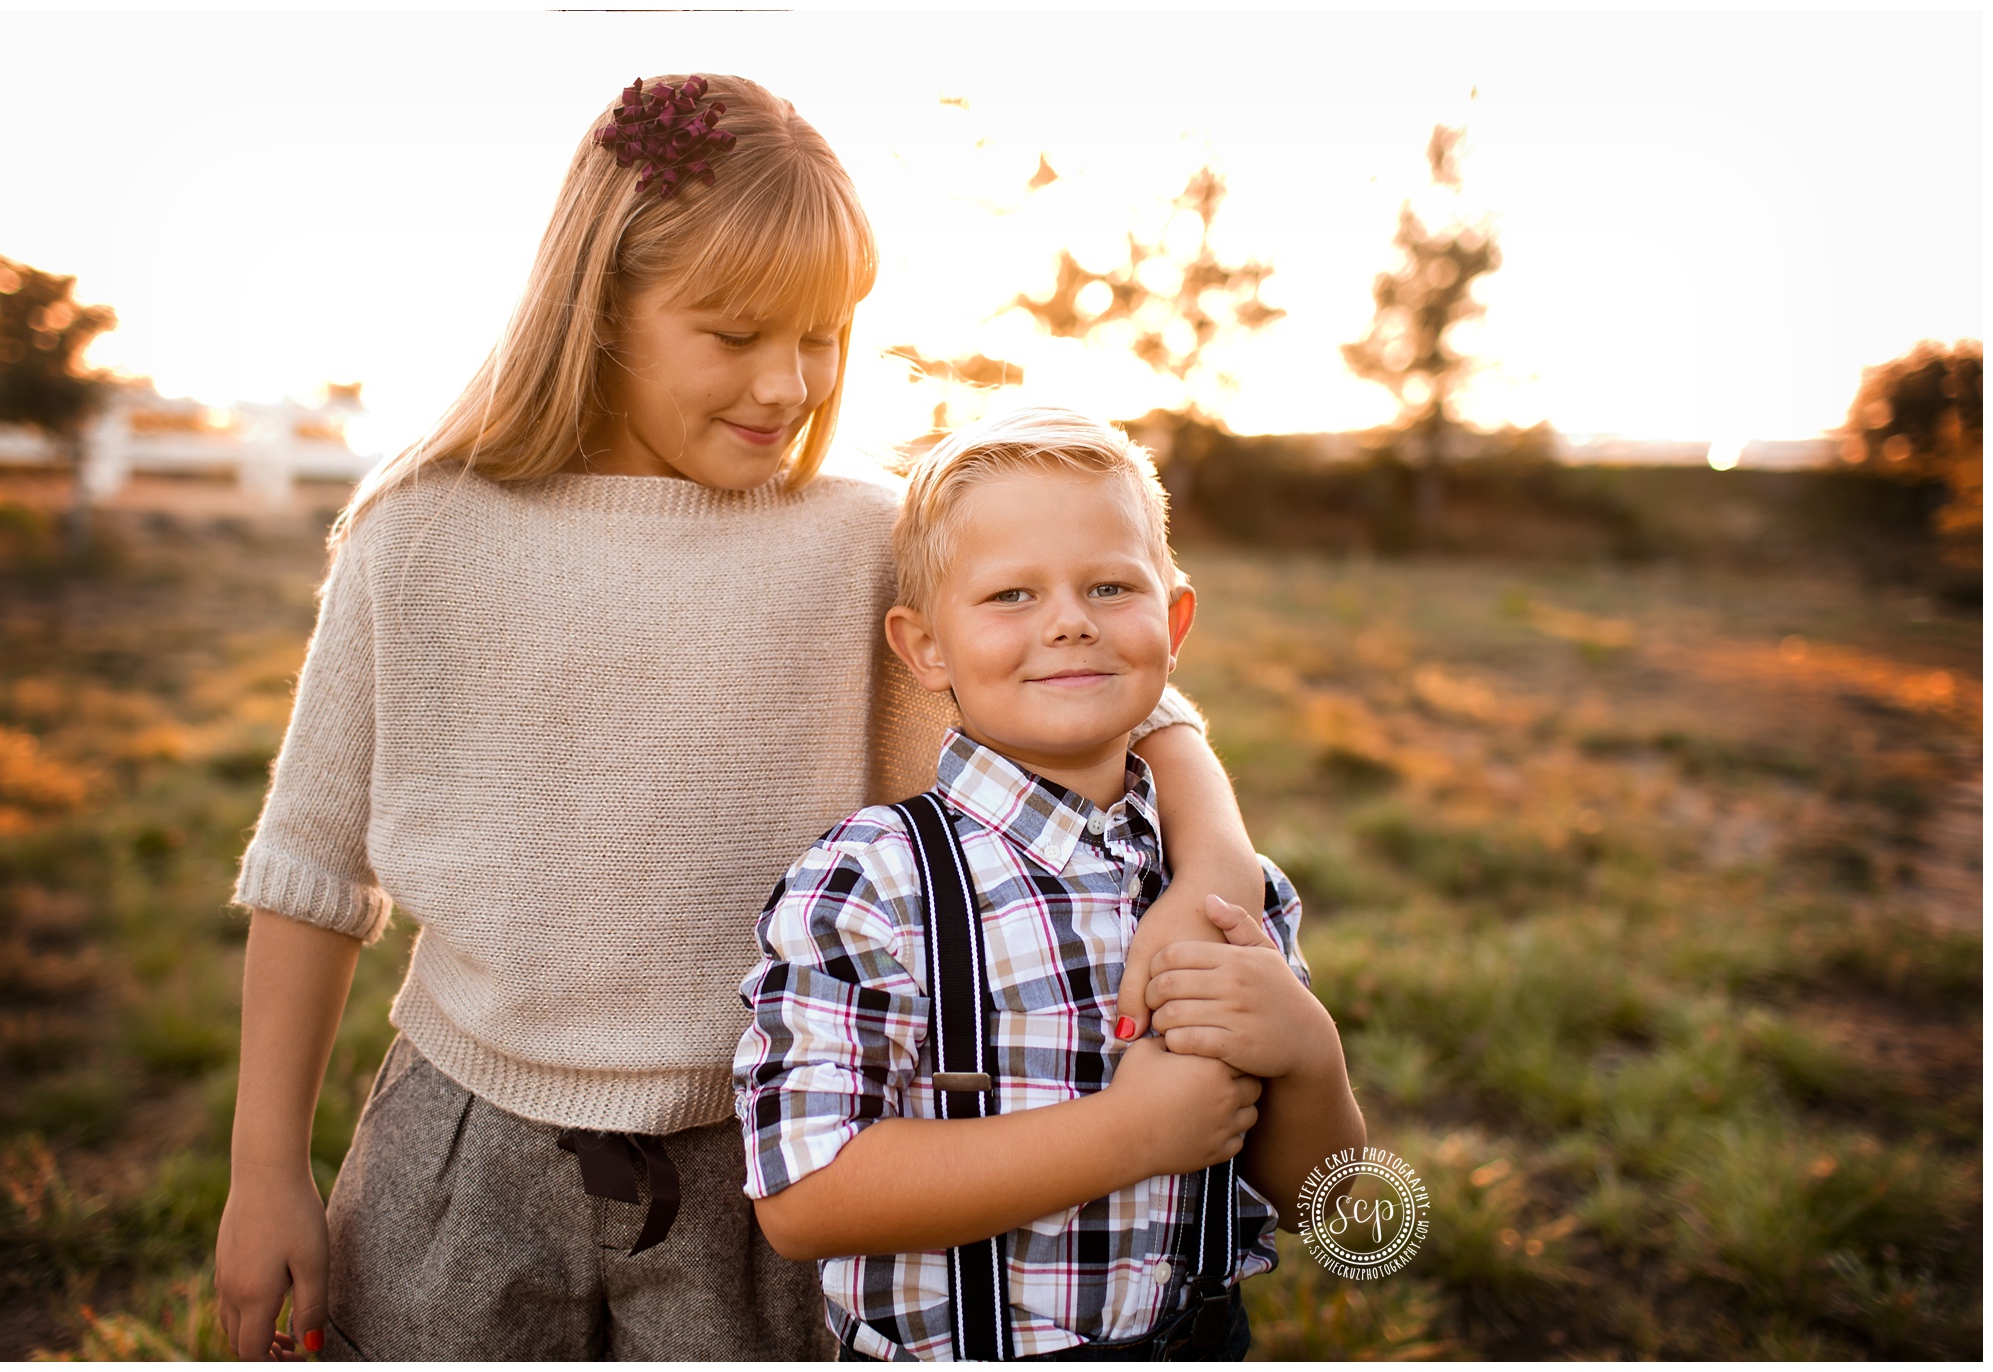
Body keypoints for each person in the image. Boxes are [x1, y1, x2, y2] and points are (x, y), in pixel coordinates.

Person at [212, 77, 1269, 1361]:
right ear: (601, 306)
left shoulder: (864, 543)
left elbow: (1128, 694)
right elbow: (310, 873)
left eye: (821, 335)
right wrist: (264, 1166)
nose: (787, 382)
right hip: (460, 1157)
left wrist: (1206, 861)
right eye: (733, 333)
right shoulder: (421, 533)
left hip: (778, 1161)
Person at [734, 407, 1366, 1362]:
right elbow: (807, 1197)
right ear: (925, 647)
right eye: (1010, 596)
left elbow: (1340, 1215)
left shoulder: (1229, 889)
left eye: (1111, 586)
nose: (1070, 621)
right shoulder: (875, 880)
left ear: (1175, 621)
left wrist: (1311, 1057)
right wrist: (1131, 1131)